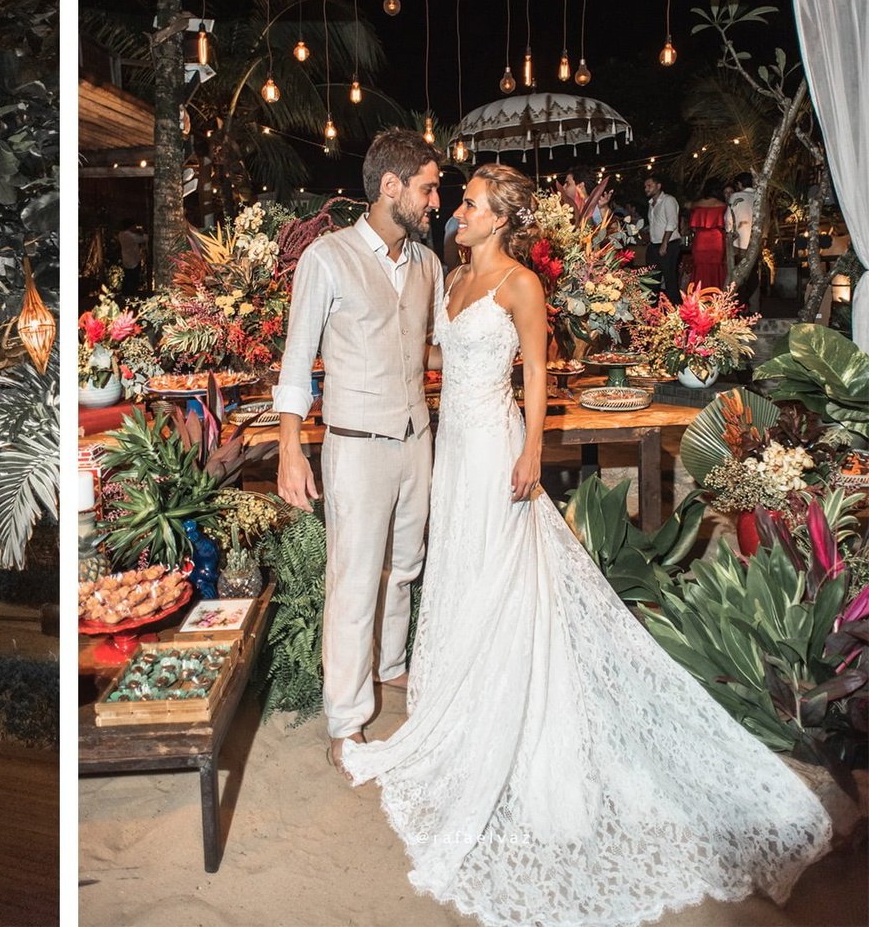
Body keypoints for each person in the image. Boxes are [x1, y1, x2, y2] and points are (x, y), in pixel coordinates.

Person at [343, 164, 831, 927]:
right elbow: (437, 366)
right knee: (463, 574)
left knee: (507, 577)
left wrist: (532, 447)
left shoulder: (520, 286)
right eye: (460, 202)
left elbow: (536, 375)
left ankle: (510, 726)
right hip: (453, 454)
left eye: (468, 203)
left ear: (499, 217)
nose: (457, 212)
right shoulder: (452, 278)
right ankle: (463, 709)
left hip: (501, 447)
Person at [274, 129, 443, 764]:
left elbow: (426, 345)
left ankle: (391, 663)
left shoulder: (428, 265)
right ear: (391, 187)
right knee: (353, 580)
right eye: (427, 188)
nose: (435, 200)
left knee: (404, 564)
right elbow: (296, 363)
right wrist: (292, 448)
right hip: (355, 445)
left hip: (415, 438)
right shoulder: (328, 257)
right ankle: (347, 716)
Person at [644, 173, 683, 303]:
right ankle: (653, 311)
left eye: (649, 185)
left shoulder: (668, 200)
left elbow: (671, 223)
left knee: (670, 278)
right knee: (652, 279)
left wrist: (664, 244)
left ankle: (677, 310)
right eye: (645, 186)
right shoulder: (651, 204)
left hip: (669, 244)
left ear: (659, 186)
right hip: (655, 244)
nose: (646, 189)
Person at [726, 172, 758, 306]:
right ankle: (754, 306)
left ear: (739, 184)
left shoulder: (736, 197)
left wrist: (729, 234)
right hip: (756, 241)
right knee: (753, 274)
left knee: (738, 276)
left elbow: (728, 219)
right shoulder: (759, 196)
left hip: (739, 242)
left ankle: (739, 305)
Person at [115, 218, 148, 296]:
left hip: (126, 259)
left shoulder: (121, 234)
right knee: (134, 279)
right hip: (134, 260)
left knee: (127, 277)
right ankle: (132, 294)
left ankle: (125, 294)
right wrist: (142, 231)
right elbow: (145, 238)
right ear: (131, 227)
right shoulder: (132, 236)